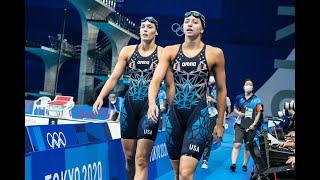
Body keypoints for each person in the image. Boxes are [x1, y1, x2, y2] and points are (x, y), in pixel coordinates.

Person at [148, 10, 227, 179]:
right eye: (187, 21)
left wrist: (220, 123)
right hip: (174, 117)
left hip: (199, 117)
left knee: (185, 174)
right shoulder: (169, 51)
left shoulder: (214, 53)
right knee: (177, 173)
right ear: (182, 27)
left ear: (202, 29)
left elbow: (221, 89)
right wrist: (152, 103)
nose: (190, 24)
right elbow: (155, 81)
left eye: (195, 22)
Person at [92, 16, 169, 180]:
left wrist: (171, 106)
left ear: (156, 32)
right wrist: (100, 96)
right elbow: (114, 78)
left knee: (141, 160)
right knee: (129, 159)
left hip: (150, 109)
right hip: (129, 107)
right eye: (143, 26)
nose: (145, 29)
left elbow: (169, 84)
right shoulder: (127, 51)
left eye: (149, 27)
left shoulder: (163, 53)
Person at [230, 79, 267, 174]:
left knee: (247, 146)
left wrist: (254, 124)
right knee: (237, 144)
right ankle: (233, 164)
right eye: (247, 84)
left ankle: (244, 164)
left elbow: (259, 113)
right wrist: (239, 113)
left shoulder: (257, 100)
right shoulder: (239, 98)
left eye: (250, 85)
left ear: (253, 88)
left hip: (251, 126)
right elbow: (235, 109)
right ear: (243, 87)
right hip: (239, 124)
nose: (248, 86)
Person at [201, 75, 231, 169]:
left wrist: (213, 100)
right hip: (200, 115)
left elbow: (222, 104)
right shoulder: (199, 88)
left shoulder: (217, 91)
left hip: (212, 115)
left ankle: (205, 160)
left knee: (209, 137)